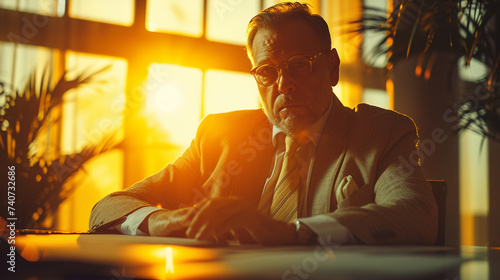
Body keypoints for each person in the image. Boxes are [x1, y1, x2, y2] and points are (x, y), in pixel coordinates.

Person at [89, 2, 437, 245]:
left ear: (332, 68)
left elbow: (416, 214)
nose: (283, 85)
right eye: (267, 72)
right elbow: (108, 208)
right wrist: (162, 220)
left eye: (299, 65)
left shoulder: (381, 133)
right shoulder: (218, 135)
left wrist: (293, 233)